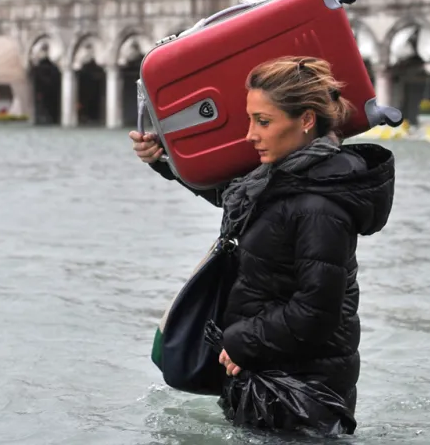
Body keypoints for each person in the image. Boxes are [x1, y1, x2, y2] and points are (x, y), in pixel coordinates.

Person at [129, 55, 396, 433]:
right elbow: (235, 199)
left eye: (263, 121)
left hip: (302, 398)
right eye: (251, 119)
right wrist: (166, 162)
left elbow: (318, 310)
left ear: (305, 120)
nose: (250, 134)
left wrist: (241, 341)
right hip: (268, 381)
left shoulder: (321, 205)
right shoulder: (282, 178)